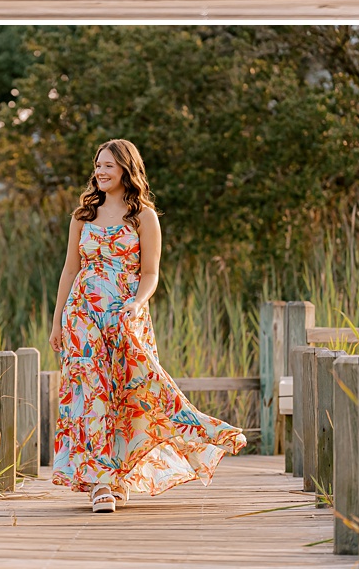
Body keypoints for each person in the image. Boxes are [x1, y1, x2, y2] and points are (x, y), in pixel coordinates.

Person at [49, 139, 244, 511]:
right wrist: (58, 320)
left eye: (108, 165)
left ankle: (129, 469)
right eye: (97, 165)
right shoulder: (82, 216)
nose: (100, 172)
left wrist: (137, 304)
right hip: (82, 317)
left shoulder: (144, 217)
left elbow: (151, 273)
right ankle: (100, 484)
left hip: (125, 316)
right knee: (91, 395)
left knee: (132, 393)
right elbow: (70, 270)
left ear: (126, 169)